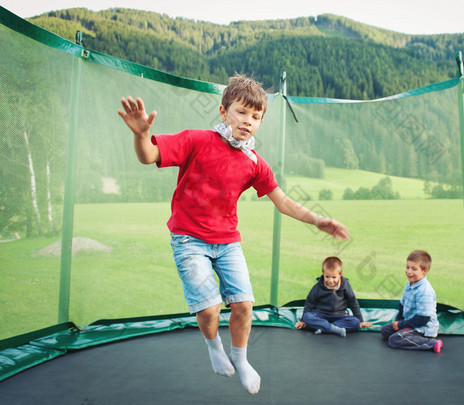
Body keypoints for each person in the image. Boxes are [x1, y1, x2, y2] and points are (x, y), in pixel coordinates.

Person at [117, 74, 349, 395]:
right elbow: (149, 155)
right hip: (188, 239)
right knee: (210, 309)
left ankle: (240, 358)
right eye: (241, 112)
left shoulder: (253, 162)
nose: (248, 121)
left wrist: (318, 220)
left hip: (227, 242)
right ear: (223, 111)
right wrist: (142, 135)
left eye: (256, 117)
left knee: (244, 305)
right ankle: (214, 348)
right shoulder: (197, 140)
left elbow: (282, 201)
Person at [380, 250, 443, 353]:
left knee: (394, 340)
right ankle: (405, 334)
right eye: (407, 267)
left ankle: (431, 343)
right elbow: (402, 305)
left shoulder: (425, 291)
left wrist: (401, 325)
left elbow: (423, 319)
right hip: (410, 323)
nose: (409, 272)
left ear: (425, 270)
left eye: (414, 269)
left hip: (422, 328)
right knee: (385, 331)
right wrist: (399, 322)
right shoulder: (409, 284)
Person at [295, 256, 372, 337]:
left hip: (340, 316)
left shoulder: (345, 286)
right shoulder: (318, 287)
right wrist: (302, 320)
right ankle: (334, 329)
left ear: (340, 274)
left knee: (355, 322)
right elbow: (309, 303)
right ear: (323, 273)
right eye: (327, 277)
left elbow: (353, 302)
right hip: (321, 315)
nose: (330, 281)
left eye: (334, 277)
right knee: (307, 317)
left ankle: (323, 327)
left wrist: (360, 320)